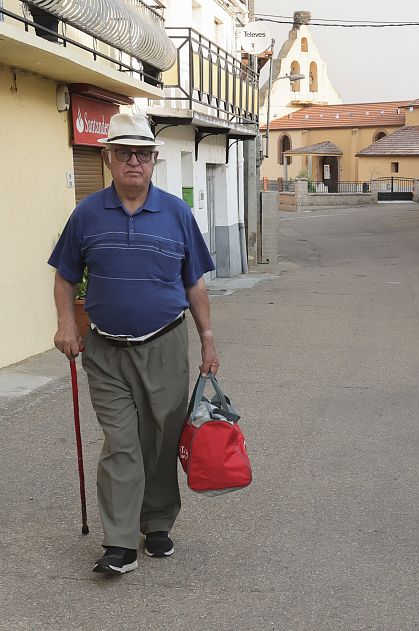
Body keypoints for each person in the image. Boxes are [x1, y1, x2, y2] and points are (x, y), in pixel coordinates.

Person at [48, 113, 219, 575]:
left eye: (142, 154)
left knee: (161, 440)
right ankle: (120, 542)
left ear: (153, 160)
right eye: (124, 153)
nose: (133, 162)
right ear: (107, 158)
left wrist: (207, 339)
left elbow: (195, 283)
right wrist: (67, 324)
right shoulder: (86, 213)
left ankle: (157, 522)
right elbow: (65, 276)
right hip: (105, 350)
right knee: (121, 442)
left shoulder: (176, 213)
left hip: (164, 344)